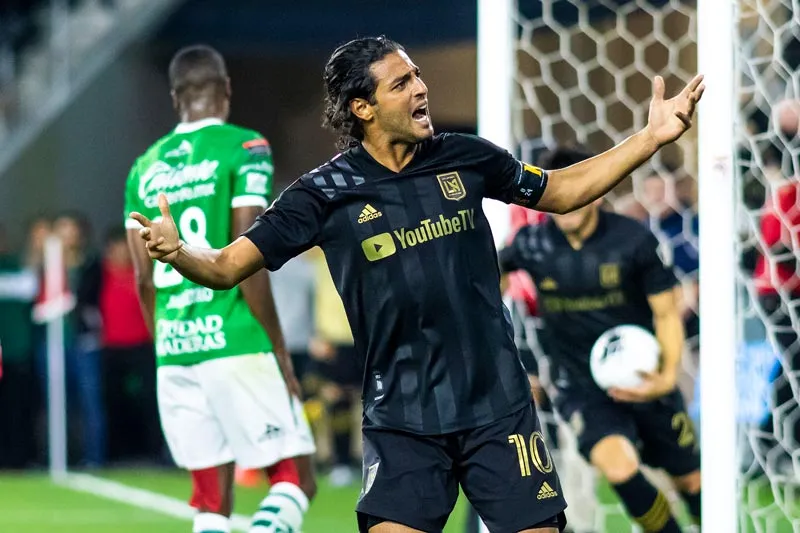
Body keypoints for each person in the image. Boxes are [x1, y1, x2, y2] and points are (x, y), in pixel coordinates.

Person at [130, 36, 704, 533]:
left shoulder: (466, 156)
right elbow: (228, 266)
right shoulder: (323, 194)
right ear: (363, 107)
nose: (420, 88)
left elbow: (560, 190)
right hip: (402, 416)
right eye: (401, 83)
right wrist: (178, 251)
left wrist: (650, 139)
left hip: (497, 407)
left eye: (418, 75)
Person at [123, 45, 316, 533]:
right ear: (226, 89)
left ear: (175, 98)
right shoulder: (246, 147)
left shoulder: (142, 167)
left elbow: (143, 278)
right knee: (296, 479)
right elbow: (246, 255)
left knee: (211, 502)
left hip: (176, 350)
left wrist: (165, 346)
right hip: (236, 340)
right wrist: (277, 347)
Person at [499, 147, 701, 533]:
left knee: (691, 483)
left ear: (600, 188)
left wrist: (665, 376)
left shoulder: (633, 241)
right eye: (560, 188)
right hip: (581, 388)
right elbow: (493, 272)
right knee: (618, 464)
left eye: (580, 185)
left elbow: (666, 313)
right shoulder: (531, 244)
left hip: (647, 378)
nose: (571, 198)